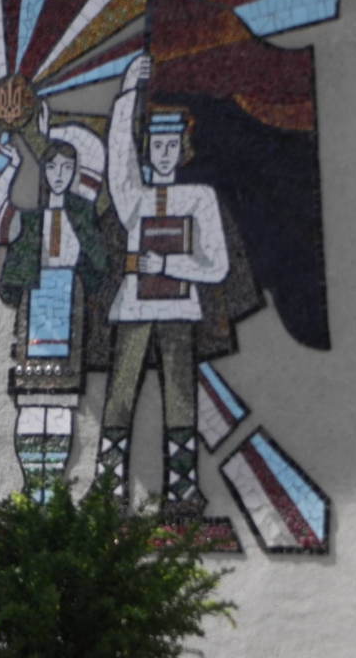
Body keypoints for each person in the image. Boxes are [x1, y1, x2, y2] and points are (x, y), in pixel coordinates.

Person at [97, 53, 230, 515]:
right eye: (157, 144)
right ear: (149, 147)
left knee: (180, 400)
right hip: (135, 308)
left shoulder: (198, 198)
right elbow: (118, 158)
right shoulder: (136, 197)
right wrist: (127, 93)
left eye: (172, 145)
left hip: (178, 311)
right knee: (120, 396)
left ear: (183, 148)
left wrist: (169, 265)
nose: (164, 153)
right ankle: (108, 489)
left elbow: (216, 266)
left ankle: (183, 491)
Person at [0, 105, 107, 502]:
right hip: (34, 312)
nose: (60, 175)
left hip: (69, 312)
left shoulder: (82, 215)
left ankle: (53, 488)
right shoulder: (32, 221)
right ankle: (33, 486)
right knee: (32, 402)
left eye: (67, 169)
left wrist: (50, 132)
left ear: (74, 173)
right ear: (46, 172)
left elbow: (97, 261)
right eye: (53, 167)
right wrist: (13, 166)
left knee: (62, 404)